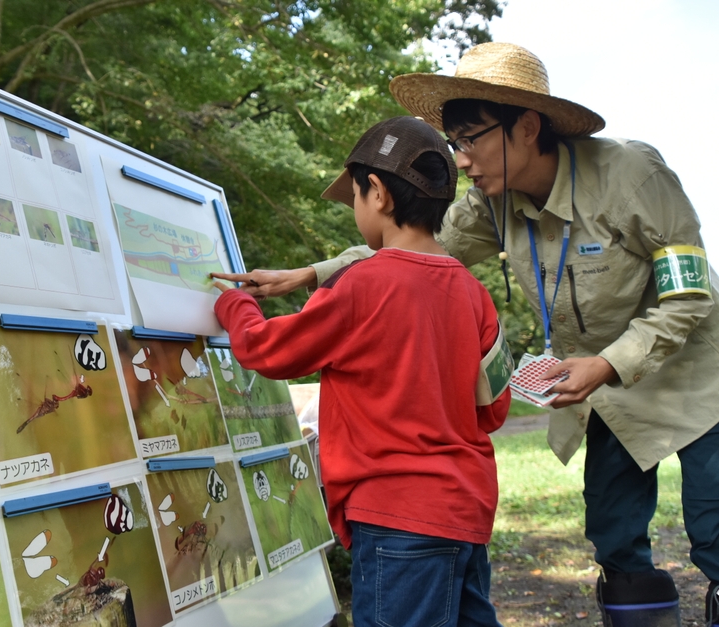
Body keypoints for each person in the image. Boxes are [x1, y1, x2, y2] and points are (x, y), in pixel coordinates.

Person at [214, 42, 719, 626]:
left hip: (693, 377)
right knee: (615, 537)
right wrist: (312, 273)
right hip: (605, 392)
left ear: (526, 126)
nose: (461, 160)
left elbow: (689, 295)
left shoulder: (633, 175)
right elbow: (410, 251)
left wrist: (607, 363)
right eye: (453, 144)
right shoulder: (489, 203)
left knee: (712, 526)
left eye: (470, 140)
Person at [213, 116, 512, 627]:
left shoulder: (361, 285)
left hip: (396, 518)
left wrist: (235, 306)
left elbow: (268, 351)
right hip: (466, 512)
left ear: (377, 192)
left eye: (353, 195)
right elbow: (495, 409)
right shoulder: (474, 293)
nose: (355, 208)